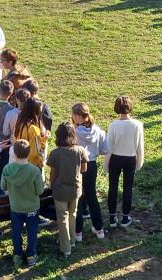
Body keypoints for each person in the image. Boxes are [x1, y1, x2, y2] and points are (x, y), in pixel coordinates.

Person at [47, 122, 88, 257]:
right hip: (75, 189)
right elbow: (84, 169)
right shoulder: (80, 150)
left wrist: (52, 185)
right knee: (73, 214)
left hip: (59, 190)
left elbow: (52, 173)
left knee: (62, 217)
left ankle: (65, 248)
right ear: (73, 135)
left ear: (58, 136)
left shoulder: (54, 153)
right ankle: (72, 241)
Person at [1, 139, 43, 267]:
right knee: (31, 231)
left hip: (16, 207)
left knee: (16, 232)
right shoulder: (34, 170)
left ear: (14, 153)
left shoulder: (7, 169)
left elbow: (3, 187)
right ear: (29, 152)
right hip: (31, 207)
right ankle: (31, 255)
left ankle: (17, 255)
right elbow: (40, 190)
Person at [104, 96, 144, 228]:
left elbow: (108, 147)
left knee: (113, 187)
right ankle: (125, 217)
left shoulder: (113, 125)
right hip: (130, 159)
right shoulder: (138, 125)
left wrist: (106, 165)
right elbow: (140, 146)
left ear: (116, 108)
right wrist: (139, 162)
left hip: (115, 159)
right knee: (128, 188)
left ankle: (112, 217)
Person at [72, 103, 109, 241]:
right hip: (92, 164)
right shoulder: (98, 130)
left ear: (77, 116)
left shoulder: (74, 131)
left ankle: (78, 232)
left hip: (77, 164)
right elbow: (105, 149)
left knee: (79, 196)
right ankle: (99, 229)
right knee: (92, 196)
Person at [14, 98, 49, 170]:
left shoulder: (20, 123)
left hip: (20, 161)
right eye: (40, 109)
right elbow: (36, 153)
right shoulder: (33, 129)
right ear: (36, 111)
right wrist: (44, 139)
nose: (42, 111)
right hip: (32, 166)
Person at [0, 80, 15, 184]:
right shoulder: (12, 110)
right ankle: (0, 185)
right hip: (6, 142)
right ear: (11, 94)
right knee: (3, 165)